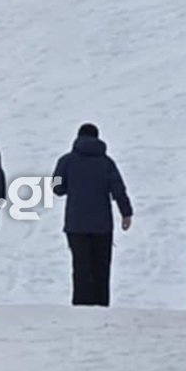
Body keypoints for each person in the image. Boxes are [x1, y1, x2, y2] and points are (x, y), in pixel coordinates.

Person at [51, 123, 133, 306]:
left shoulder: (65, 161)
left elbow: (56, 187)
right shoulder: (107, 163)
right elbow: (119, 189)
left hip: (76, 223)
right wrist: (126, 213)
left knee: (81, 267)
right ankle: (101, 305)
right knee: (101, 268)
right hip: (102, 224)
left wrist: (68, 186)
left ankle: (81, 306)